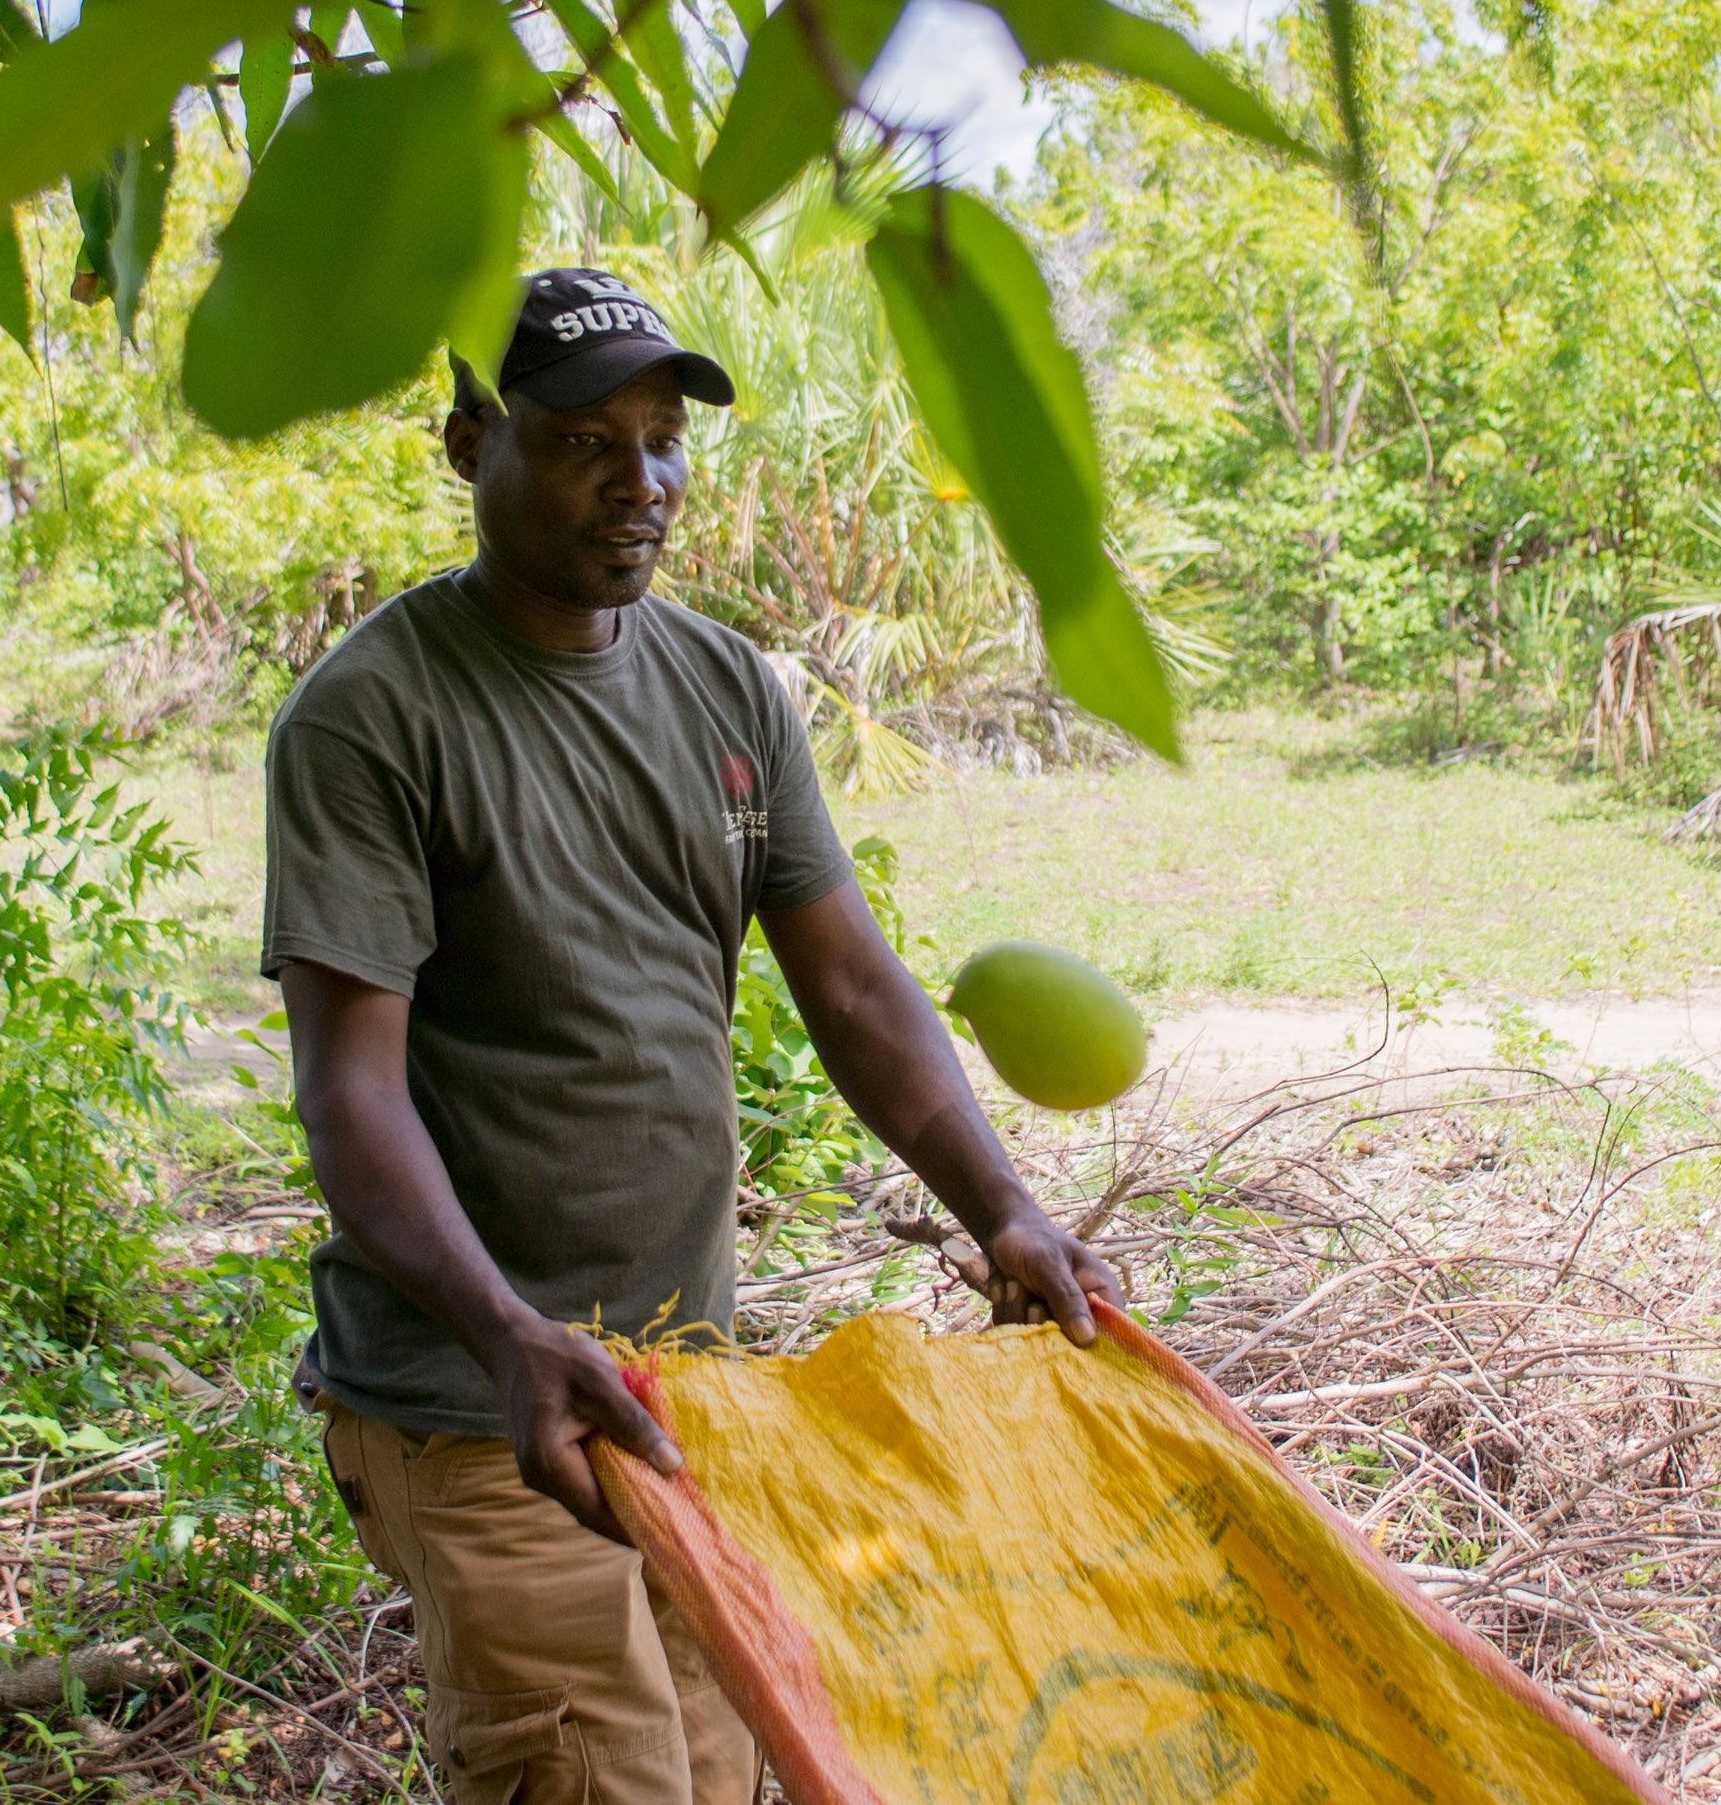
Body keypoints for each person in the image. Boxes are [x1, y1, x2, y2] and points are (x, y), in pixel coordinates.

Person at [263, 267, 1119, 1804]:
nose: (638, 480)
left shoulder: (728, 685)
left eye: (661, 439)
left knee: (723, 1764)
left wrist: (1005, 1207)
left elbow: (853, 989)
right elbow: (349, 1093)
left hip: (690, 1387)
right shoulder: (372, 714)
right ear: (470, 444)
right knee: (600, 1776)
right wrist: (513, 1334)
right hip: (488, 1398)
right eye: (585, 437)